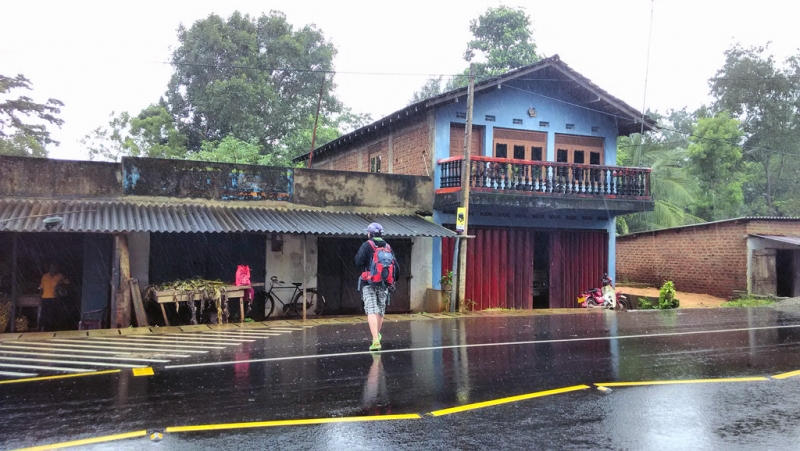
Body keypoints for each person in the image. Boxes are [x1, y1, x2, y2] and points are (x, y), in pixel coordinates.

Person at [355, 222, 399, 351]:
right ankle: (377, 336)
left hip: (369, 282)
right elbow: (396, 266)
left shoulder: (367, 245)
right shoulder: (388, 247)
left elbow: (358, 262)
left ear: (370, 233)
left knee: (371, 309)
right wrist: (392, 281)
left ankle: (375, 340)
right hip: (384, 283)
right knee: (380, 310)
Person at [39, 263, 68, 331]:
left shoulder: (60, 276)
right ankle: (43, 329)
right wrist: (40, 298)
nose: (53, 269)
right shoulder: (45, 276)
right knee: (44, 314)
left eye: (54, 267)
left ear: (57, 268)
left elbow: (67, 285)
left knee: (54, 314)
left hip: (55, 298)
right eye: (51, 267)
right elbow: (41, 288)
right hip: (45, 297)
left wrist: (60, 286)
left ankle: (54, 329)